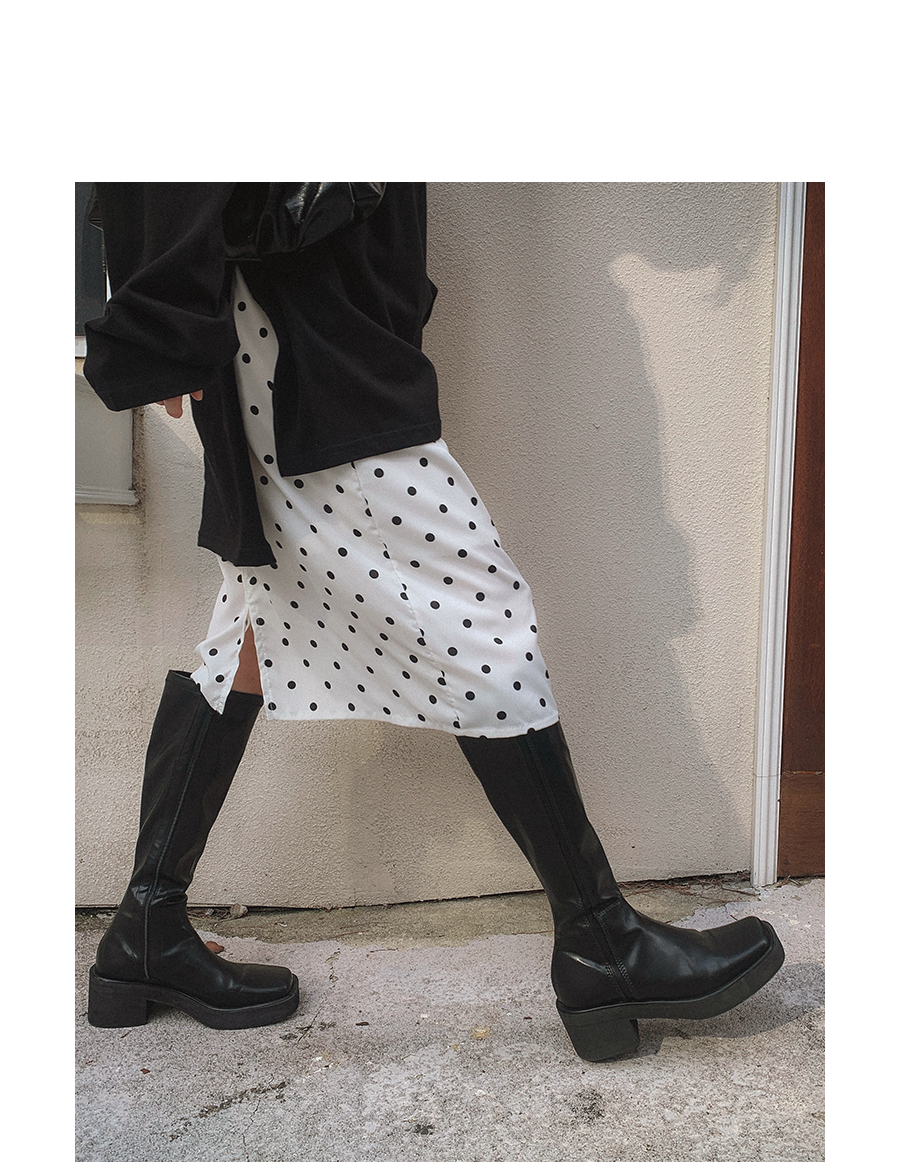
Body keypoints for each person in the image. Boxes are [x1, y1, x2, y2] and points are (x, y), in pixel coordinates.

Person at [82, 182, 784, 1062]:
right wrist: (163, 316)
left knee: (252, 632)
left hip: (310, 322)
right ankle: (603, 943)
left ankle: (146, 930)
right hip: (299, 337)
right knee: (479, 618)